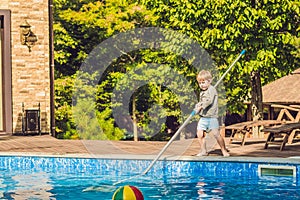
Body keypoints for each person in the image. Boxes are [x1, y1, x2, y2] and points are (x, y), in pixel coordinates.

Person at [195, 70, 229, 157]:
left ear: (209, 81)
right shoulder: (202, 92)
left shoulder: (212, 89)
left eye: (203, 82)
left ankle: (224, 150)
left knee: (216, 134)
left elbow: (209, 101)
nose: (201, 85)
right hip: (203, 117)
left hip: (212, 117)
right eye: (200, 83)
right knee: (200, 134)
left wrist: (202, 106)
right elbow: (201, 101)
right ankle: (203, 150)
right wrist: (197, 106)